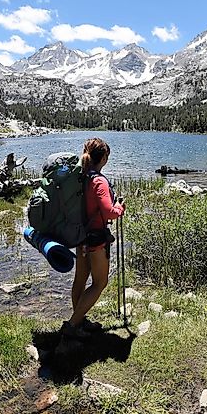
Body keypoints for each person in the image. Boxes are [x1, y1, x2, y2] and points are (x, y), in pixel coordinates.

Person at [61, 137, 125, 339]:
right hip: (96, 239)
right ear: (104, 157)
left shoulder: (83, 177)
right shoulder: (98, 181)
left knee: (80, 279)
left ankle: (79, 321)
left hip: (81, 237)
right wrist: (120, 207)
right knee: (100, 283)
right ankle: (72, 326)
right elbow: (109, 212)